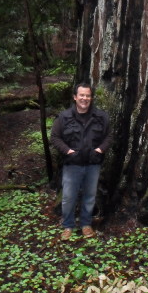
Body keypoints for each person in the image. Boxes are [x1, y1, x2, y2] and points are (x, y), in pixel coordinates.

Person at [51, 82, 112, 240]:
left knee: (90, 196)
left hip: (93, 164)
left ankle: (86, 224)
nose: (84, 98)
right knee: (69, 196)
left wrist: (100, 150)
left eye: (87, 95)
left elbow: (109, 137)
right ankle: (68, 226)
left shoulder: (101, 117)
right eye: (81, 95)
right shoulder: (64, 117)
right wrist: (68, 151)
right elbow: (55, 138)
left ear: (91, 98)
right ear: (75, 97)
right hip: (72, 164)